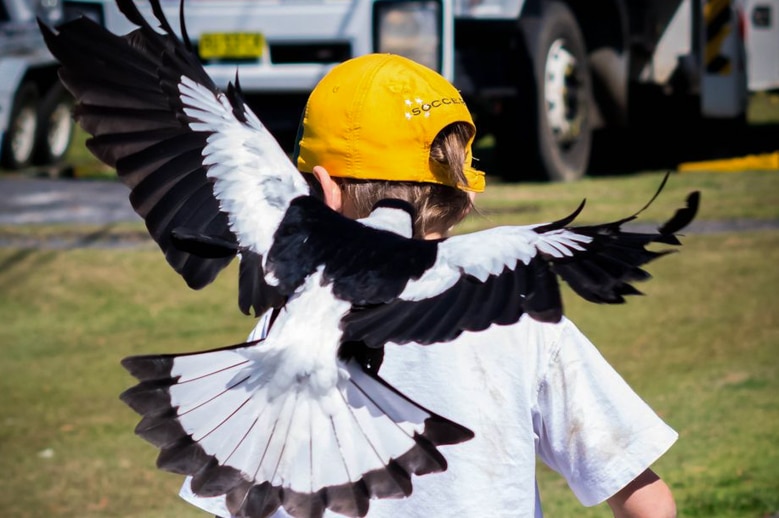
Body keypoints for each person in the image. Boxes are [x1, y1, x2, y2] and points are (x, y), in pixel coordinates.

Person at [180, 53, 677, 517]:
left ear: (323, 193)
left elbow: (238, 497)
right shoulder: (525, 321)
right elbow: (644, 497)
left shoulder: (282, 328)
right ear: (462, 196)